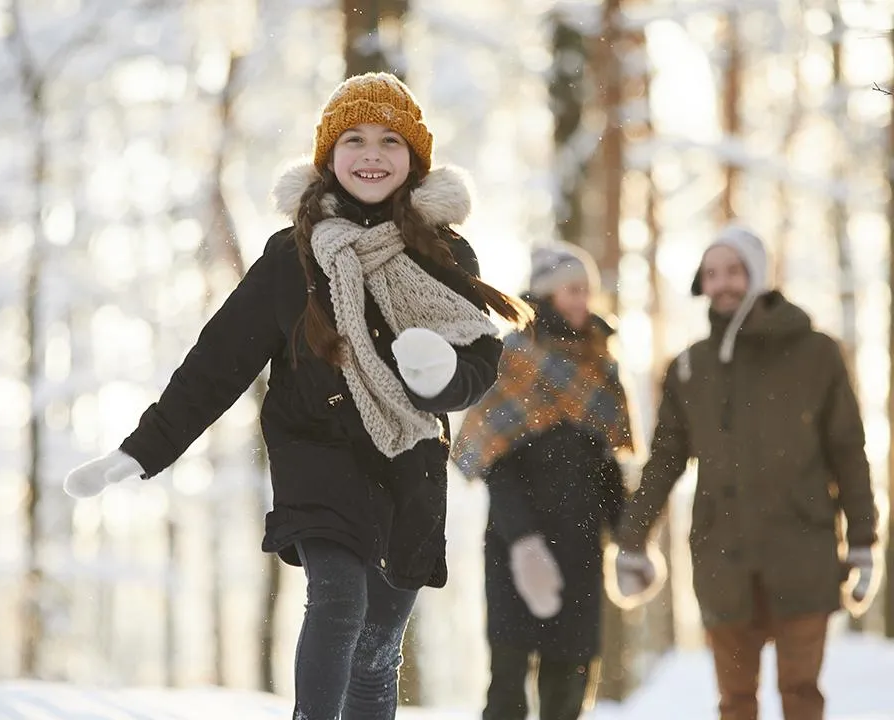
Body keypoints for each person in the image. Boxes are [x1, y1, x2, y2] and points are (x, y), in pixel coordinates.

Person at [63, 72, 532, 720]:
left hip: (409, 459)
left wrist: (440, 379)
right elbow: (217, 364)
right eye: (355, 140)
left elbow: (480, 359)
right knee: (338, 598)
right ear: (329, 157)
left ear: (415, 158)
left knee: (378, 647)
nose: (371, 154)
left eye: (390, 140)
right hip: (316, 450)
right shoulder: (294, 257)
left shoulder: (443, 252)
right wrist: (141, 451)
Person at [613, 224, 878, 720]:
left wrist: (863, 538)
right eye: (712, 274)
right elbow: (665, 461)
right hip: (723, 559)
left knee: (801, 695)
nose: (723, 284)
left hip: (803, 551)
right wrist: (633, 540)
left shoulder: (816, 353)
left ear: (756, 276)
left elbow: (848, 450)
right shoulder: (690, 367)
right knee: (735, 703)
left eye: (734, 271)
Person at [452, 243, 636, 720]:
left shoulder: (601, 363)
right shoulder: (513, 358)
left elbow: (606, 462)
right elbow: (495, 461)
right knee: (508, 688)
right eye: (571, 290)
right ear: (545, 294)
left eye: (586, 291)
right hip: (516, 545)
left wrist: (630, 538)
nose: (581, 301)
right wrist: (526, 544)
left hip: (582, 546)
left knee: (569, 688)